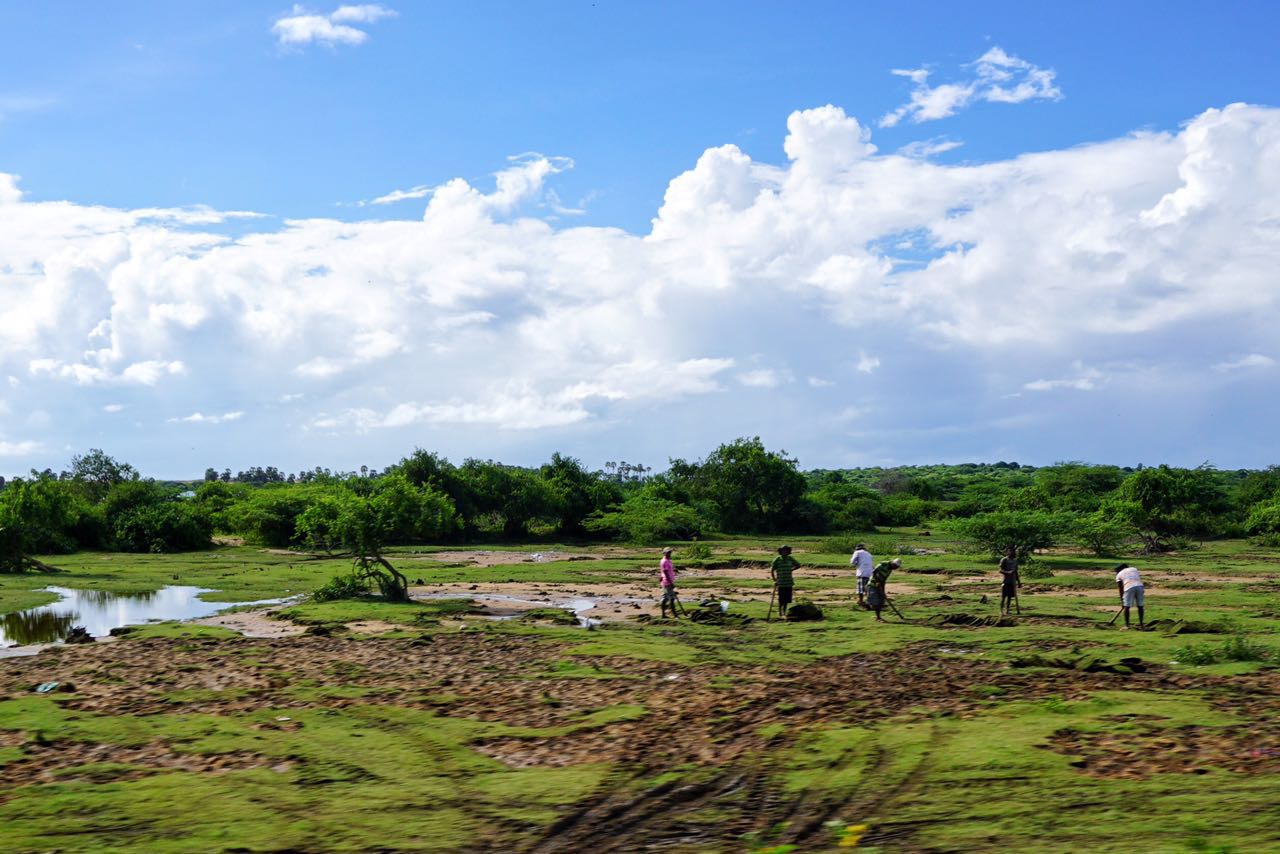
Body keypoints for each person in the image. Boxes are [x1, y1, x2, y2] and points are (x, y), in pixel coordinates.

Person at [867, 558, 901, 623]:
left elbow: (884, 580)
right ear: (892, 563)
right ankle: (878, 617)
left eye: (897, 567)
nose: (895, 568)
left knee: (881, 601)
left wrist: (883, 591)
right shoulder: (883, 564)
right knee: (876, 601)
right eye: (895, 566)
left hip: (880, 585)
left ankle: (878, 616)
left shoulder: (889, 570)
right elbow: (874, 572)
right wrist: (877, 581)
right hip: (873, 584)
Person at [770, 545, 799, 618]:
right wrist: (774, 580)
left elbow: (798, 565)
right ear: (780, 551)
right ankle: (779, 611)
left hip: (788, 582)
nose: (785, 552)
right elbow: (772, 570)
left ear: (788, 552)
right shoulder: (777, 559)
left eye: (786, 551)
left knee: (787, 599)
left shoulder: (790, 559)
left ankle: (784, 612)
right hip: (781, 582)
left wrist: (791, 569)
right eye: (783, 551)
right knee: (781, 598)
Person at [1115, 563, 1145, 629]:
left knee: (1127, 607)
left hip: (1129, 587)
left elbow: (1121, 589)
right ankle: (1141, 624)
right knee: (1140, 606)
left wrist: (1122, 601)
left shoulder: (1119, 575)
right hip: (1140, 586)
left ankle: (1127, 625)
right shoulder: (1134, 569)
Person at [999, 547, 1021, 615]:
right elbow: (1000, 570)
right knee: (1003, 596)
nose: (1012, 553)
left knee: (1009, 597)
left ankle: (1007, 610)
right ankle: (1001, 611)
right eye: (1010, 551)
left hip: (1012, 582)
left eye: (1013, 551)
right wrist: (1008, 572)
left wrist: (1019, 582)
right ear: (1007, 552)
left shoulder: (1015, 561)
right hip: (1005, 581)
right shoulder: (1004, 560)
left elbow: (1016, 572)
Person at [851, 543, 874, 608]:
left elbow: (852, 562)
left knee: (860, 588)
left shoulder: (857, 552)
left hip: (862, 572)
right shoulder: (869, 554)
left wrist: (857, 564)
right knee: (868, 588)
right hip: (870, 573)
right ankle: (870, 601)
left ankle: (861, 601)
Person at [660, 547, 679, 618]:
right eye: (668, 552)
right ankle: (663, 614)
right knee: (666, 598)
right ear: (664, 553)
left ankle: (674, 614)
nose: (669, 554)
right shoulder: (664, 561)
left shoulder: (668, 560)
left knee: (672, 598)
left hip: (668, 581)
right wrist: (671, 582)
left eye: (670, 552)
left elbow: (663, 571)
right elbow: (665, 572)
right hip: (667, 582)